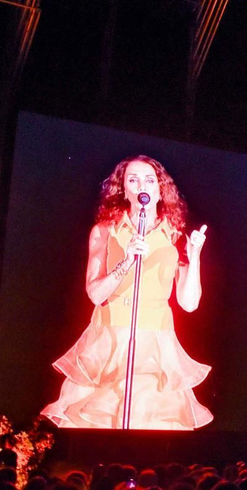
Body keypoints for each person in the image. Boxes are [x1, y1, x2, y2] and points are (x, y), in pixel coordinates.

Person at [42, 155, 212, 429]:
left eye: (148, 179)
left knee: (147, 419)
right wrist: (126, 262)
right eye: (132, 180)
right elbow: (96, 294)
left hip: (155, 342)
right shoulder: (105, 231)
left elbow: (189, 303)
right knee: (102, 417)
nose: (141, 185)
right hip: (109, 340)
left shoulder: (175, 235)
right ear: (124, 189)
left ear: (160, 188)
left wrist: (195, 258)